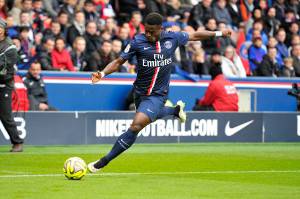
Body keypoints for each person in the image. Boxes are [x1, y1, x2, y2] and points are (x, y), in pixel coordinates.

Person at [87, 12, 231, 173]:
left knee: (135, 125)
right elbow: (119, 61)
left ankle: (103, 162)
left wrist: (219, 33)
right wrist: (102, 74)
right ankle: (173, 111)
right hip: (140, 93)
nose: (148, 34)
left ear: (161, 29)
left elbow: (195, 35)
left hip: (158, 95)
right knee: (141, 124)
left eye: (152, 31)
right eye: (146, 30)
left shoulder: (172, 38)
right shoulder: (137, 41)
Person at [0, 18, 24, 152]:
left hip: (4, 85)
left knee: (5, 115)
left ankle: (17, 142)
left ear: (4, 30)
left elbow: (4, 70)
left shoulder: (10, 47)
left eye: (0, 27)